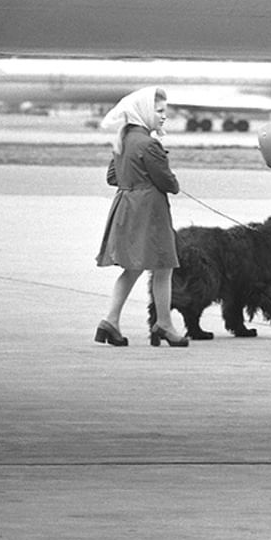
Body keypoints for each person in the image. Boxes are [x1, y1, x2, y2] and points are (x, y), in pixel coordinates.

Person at [94, 86, 189, 347]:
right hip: (149, 211)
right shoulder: (149, 143)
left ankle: (111, 320)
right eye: (159, 111)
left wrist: (133, 180)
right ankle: (164, 324)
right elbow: (167, 182)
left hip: (126, 207)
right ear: (145, 112)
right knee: (164, 266)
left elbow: (112, 177)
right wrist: (173, 183)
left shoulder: (122, 139)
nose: (163, 117)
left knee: (133, 267)